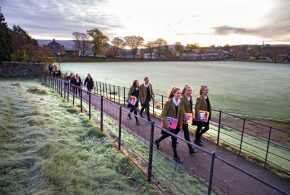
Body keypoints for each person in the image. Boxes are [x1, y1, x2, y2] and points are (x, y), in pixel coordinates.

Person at [154, 87, 186, 163]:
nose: (179, 94)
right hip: (169, 124)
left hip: (177, 124)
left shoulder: (180, 102)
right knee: (174, 137)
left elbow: (181, 114)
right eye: (177, 93)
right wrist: (167, 124)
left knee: (169, 134)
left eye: (180, 93)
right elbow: (163, 115)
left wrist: (181, 124)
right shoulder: (169, 102)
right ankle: (175, 156)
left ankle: (158, 141)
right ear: (174, 93)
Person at [181, 85, 198, 153]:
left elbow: (190, 107)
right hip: (183, 118)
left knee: (175, 132)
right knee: (186, 133)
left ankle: (159, 140)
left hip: (188, 117)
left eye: (191, 90)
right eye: (188, 90)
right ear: (185, 91)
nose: (190, 91)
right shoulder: (182, 99)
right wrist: (185, 118)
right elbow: (182, 110)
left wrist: (192, 115)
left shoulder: (190, 97)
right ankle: (190, 148)